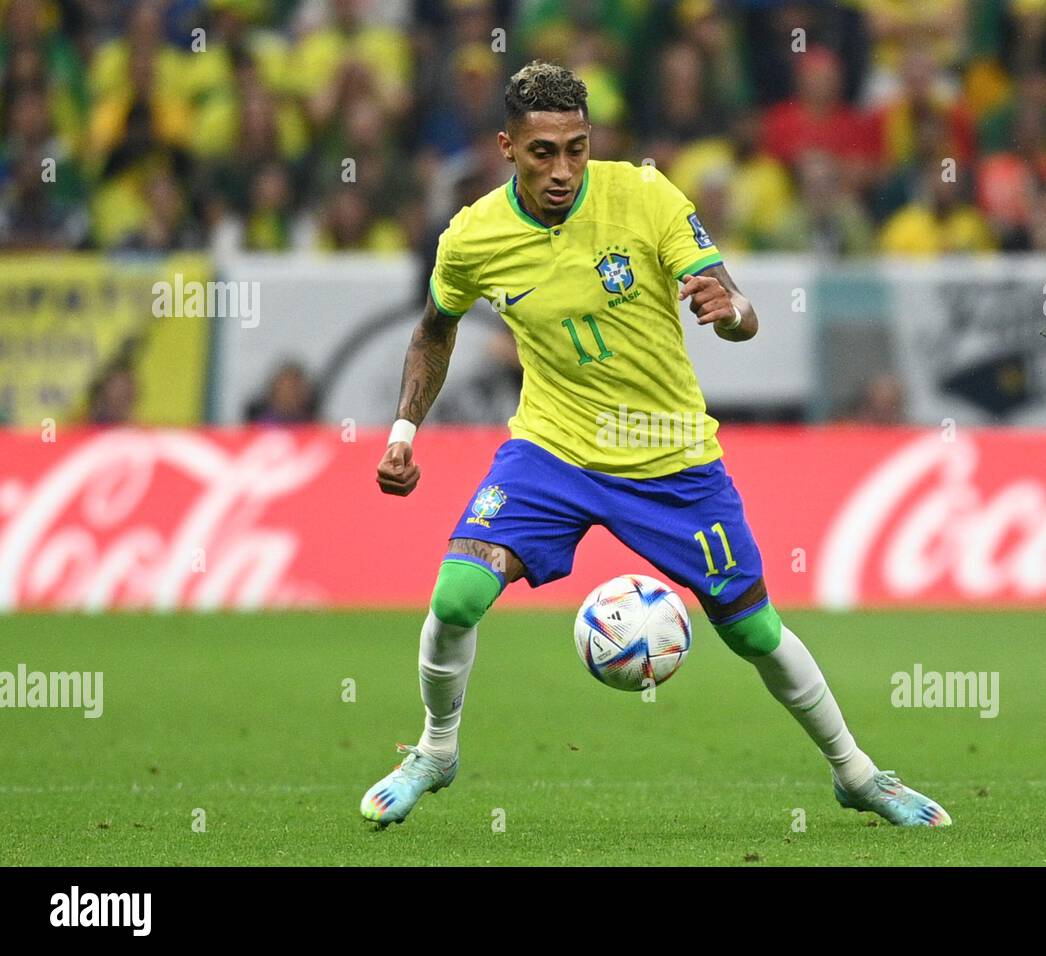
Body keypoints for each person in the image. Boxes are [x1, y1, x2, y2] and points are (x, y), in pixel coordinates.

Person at [360, 62, 950, 829]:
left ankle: (857, 773)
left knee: (756, 633)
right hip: (554, 449)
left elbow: (737, 305)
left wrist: (729, 308)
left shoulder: (644, 195)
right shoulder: (473, 237)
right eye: (543, 153)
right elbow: (434, 329)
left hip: (671, 458)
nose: (563, 170)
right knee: (456, 596)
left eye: (577, 147)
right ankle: (436, 751)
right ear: (507, 147)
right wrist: (404, 431)